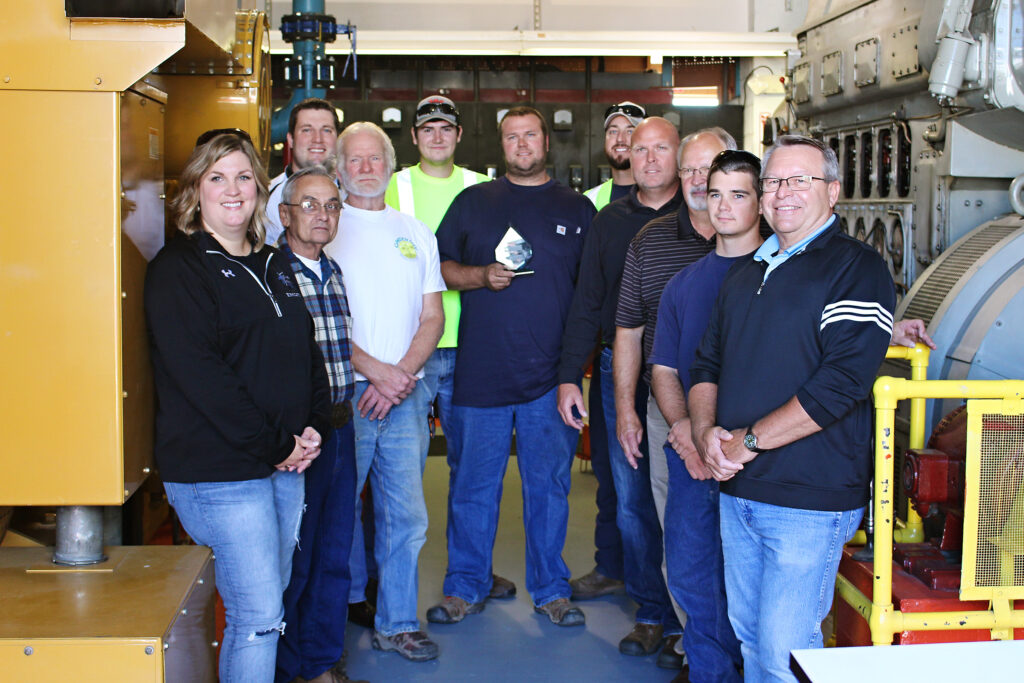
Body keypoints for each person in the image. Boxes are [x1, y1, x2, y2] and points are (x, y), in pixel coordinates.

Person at [688, 135, 897, 682]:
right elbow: (706, 363)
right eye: (775, 181)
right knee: (753, 640)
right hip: (739, 491)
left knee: (785, 654)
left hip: (809, 500)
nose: (784, 193)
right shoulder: (745, 273)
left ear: (831, 192)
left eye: (799, 180)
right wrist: (707, 429)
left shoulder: (856, 268)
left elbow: (842, 382)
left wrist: (747, 442)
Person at [145, 132, 330, 683]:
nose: (233, 190)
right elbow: (203, 379)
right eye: (216, 177)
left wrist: (314, 427)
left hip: (283, 464)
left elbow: (307, 354)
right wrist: (279, 445)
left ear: (259, 189)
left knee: (266, 608)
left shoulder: (276, 264)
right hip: (221, 473)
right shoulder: (179, 269)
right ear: (195, 190)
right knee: (257, 617)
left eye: (244, 177)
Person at [429, 107, 595, 627]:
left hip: (550, 381)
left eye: (530, 135)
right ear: (500, 145)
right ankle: (465, 585)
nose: (521, 144)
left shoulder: (578, 209)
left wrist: (574, 373)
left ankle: (550, 589)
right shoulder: (473, 202)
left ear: (547, 141)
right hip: (481, 376)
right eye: (511, 137)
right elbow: (437, 267)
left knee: (549, 489)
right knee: (473, 488)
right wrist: (480, 275)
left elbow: (590, 296)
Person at [557, 117, 684, 662]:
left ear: (678, 155)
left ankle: (690, 621)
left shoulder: (706, 216)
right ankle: (652, 613)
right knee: (631, 501)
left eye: (661, 148)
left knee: (686, 503)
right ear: (626, 156)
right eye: (641, 149)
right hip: (622, 372)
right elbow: (588, 302)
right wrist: (569, 376)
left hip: (693, 377)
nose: (650, 159)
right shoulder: (609, 221)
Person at [613, 127, 738, 662]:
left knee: (739, 539)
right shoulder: (651, 239)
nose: (694, 181)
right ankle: (697, 644)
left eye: (705, 170)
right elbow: (628, 331)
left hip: (746, 420)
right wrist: (625, 408)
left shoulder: (767, 244)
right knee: (680, 534)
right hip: (669, 414)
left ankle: (734, 646)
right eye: (687, 169)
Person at [383, 96, 515, 600]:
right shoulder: (392, 188)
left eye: (446, 129)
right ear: (414, 138)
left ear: (459, 136)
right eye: (427, 129)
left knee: (473, 472)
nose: (437, 136)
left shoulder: (481, 189)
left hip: (473, 351)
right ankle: (389, 588)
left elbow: (503, 262)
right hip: (411, 353)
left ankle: (470, 574)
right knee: (401, 476)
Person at [325, 121, 445, 662]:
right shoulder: (325, 227)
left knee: (405, 515)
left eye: (376, 158)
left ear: (391, 165)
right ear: (339, 167)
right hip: (344, 397)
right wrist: (376, 372)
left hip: (404, 397)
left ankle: (397, 623)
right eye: (356, 159)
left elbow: (432, 316)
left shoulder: (416, 231)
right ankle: (329, 623)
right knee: (335, 513)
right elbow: (317, 321)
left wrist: (399, 379)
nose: (367, 168)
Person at [650, 150, 764, 683]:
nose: (723, 205)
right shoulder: (684, 283)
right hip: (694, 456)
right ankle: (710, 672)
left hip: (760, 459)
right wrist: (685, 433)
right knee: (695, 570)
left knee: (755, 578)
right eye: (715, 193)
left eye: (738, 194)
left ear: (761, 203)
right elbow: (665, 370)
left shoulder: (780, 276)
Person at [274, 167, 363, 683]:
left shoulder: (333, 272)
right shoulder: (272, 274)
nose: (322, 215)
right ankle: (290, 671)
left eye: (331, 206)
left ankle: (324, 664)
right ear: (285, 214)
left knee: (333, 552)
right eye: (309, 205)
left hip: (340, 430)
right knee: (297, 557)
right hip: (300, 439)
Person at [266, 98, 342, 245]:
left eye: (326, 130)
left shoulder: (352, 195)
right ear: (291, 140)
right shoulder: (265, 197)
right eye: (307, 130)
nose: (317, 139)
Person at [583, 101, 646, 210]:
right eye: (613, 131)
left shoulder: (659, 196)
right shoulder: (589, 199)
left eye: (630, 131)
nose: (620, 138)